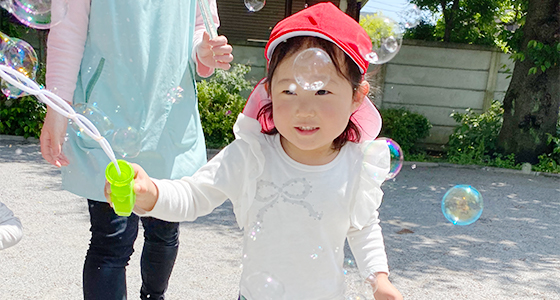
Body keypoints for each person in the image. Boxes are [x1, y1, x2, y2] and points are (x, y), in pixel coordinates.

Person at [106, 2, 402, 299]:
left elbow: (363, 226)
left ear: (356, 97)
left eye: (322, 91)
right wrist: (152, 193)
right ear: (269, 91)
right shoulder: (251, 155)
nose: (304, 109)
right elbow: (195, 195)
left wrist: (378, 279)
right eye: (289, 90)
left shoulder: (355, 165)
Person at [39, 0, 233, 299]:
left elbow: (199, 29)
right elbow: (68, 30)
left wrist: (203, 52)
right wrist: (57, 108)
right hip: (105, 112)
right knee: (111, 239)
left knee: (165, 231)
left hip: (169, 115)